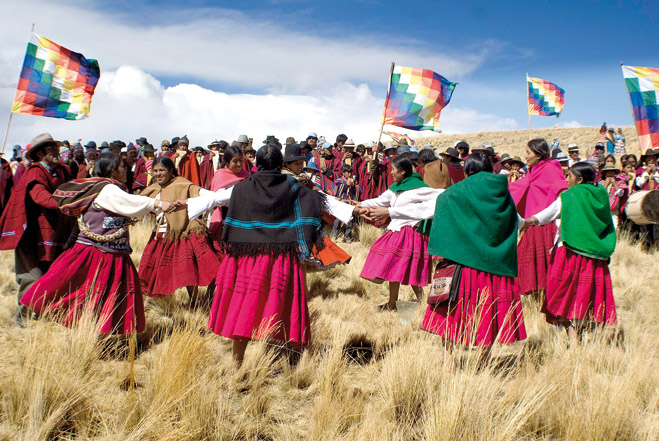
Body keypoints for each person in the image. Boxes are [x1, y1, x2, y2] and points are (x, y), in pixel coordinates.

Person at [184, 144, 357, 364]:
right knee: (282, 304)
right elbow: (322, 200)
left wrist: (182, 204)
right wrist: (356, 210)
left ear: (256, 164)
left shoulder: (242, 188)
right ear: (280, 164)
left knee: (245, 305)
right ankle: (292, 361)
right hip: (281, 256)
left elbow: (215, 199)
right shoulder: (294, 187)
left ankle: (238, 362)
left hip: (246, 257)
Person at [19, 152, 177, 334]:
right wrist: (158, 204)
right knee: (94, 293)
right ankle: (94, 333)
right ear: (111, 171)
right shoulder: (107, 189)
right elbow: (130, 202)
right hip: (97, 253)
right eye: (121, 167)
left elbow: (129, 208)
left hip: (110, 252)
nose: (125, 170)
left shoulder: (105, 187)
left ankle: (98, 334)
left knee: (100, 294)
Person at [420, 153, 526, 349]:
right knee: (488, 316)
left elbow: (434, 209)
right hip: (494, 267)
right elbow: (517, 221)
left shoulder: (457, 192)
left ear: (468, 171)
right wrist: (530, 222)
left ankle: (447, 363)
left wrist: (389, 212)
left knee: (452, 314)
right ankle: (484, 361)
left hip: (461, 265)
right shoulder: (502, 194)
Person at [522, 162, 617, 342]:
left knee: (561, 295)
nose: (566, 179)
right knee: (587, 296)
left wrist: (529, 221)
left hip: (570, 253)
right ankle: (580, 335)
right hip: (596, 256)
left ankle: (573, 339)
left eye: (570, 176)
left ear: (579, 179)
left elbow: (551, 212)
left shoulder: (571, 195)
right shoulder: (600, 195)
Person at [0, 133, 74, 324]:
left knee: (51, 277)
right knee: (32, 277)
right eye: (52, 149)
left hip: (52, 233)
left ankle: (45, 317)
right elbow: (39, 195)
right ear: (40, 154)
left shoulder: (61, 171)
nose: (57, 152)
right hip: (30, 235)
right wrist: (64, 205)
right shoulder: (35, 171)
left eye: (56, 148)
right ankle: (23, 320)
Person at [356, 156, 443, 311]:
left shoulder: (419, 189)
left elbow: (440, 195)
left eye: (393, 170)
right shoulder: (396, 188)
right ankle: (392, 302)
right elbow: (379, 201)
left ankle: (421, 300)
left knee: (409, 267)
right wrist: (359, 204)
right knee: (393, 266)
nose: (391, 173)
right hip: (396, 231)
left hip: (411, 233)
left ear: (402, 172)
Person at [139, 157, 221, 304]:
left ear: (171, 171)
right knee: (155, 270)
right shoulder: (153, 188)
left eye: (162, 170)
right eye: (155, 171)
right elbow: (138, 203)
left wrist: (216, 197)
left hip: (182, 233)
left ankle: (195, 302)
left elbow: (202, 193)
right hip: (160, 233)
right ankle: (156, 303)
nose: (158, 174)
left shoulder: (182, 184)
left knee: (188, 270)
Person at [509, 139, 568, 296]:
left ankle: (547, 299)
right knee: (529, 265)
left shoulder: (551, 169)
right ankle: (536, 299)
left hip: (546, 225)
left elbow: (562, 191)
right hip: (531, 223)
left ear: (539, 154)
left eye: (528, 153)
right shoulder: (533, 171)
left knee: (545, 266)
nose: (525, 156)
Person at [332, 164, 361, 242]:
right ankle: (334, 236)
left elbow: (357, 190)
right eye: (348, 172)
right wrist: (345, 185)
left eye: (350, 172)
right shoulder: (339, 181)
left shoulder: (353, 181)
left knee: (349, 220)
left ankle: (347, 236)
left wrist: (354, 186)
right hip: (341, 202)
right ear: (343, 172)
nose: (349, 174)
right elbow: (337, 190)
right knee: (338, 219)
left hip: (349, 203)